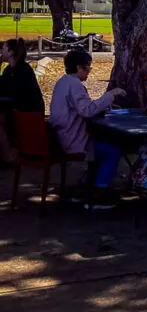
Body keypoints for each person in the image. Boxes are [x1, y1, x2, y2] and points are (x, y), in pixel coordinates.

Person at [48, 48, 126, 209]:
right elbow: (87, 110)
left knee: (102, 147)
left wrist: (102, 106)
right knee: (111, 151)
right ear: (79, 67)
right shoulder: (75, 85)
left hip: (62, 135)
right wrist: (111, 95)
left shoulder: (62, 82)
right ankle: (100, 190)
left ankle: (85, 185)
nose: (89, 71)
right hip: (72, 139)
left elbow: (82, 108)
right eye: (87, 67)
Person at [0, 38, 45, 164]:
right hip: (16, 110)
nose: (1, 52)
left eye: (3, 48)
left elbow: (15, 95)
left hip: (28, 114)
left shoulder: (23, 70)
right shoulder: (9, 70)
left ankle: (8, 156)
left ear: (11, 52)